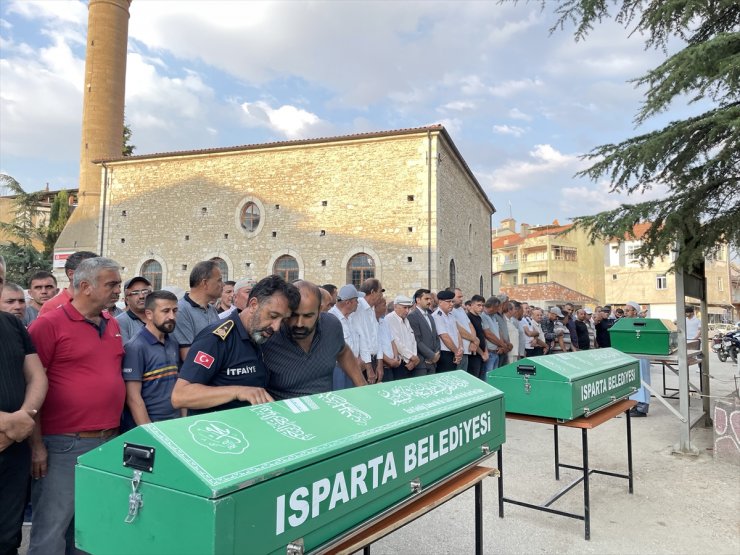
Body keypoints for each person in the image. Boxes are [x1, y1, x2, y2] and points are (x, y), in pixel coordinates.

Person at [27, 257, 125, 555]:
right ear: (85, 286)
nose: (117, 291)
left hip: (106, 441)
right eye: (111, 285)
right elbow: (32, 385)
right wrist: (37, 446)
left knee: (88, 527)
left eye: (118, 284)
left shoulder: (112, 323)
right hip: (63, 444)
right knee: (51, 530)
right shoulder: (48, 324)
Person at [171, 275, 300, 414]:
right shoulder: (215, 339)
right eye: (273, 316)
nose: (276, 327)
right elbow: (180, 396)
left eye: (283, 320)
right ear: (253, 305)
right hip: (217, 431)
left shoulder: (261, 336)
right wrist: (238, 391)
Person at [0, 256, 48, 555]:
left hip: (14, 450)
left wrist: (23, 419)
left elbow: (37, 377)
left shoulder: (12, 325)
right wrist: (9, 424)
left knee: (7, 535)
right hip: (12, 433)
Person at [263, 280, 367, 400]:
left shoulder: (331, 326)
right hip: (285, 414)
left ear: (320, 311)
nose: (299, 323)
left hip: (324, 411)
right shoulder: (270, 336)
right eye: (294, 315)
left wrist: (362, 385)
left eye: (308, 316)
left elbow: (343, 350)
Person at [121, 291, 181, 431]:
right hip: (151, 428)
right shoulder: (135, 347)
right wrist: (151, 434)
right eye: (165, 311)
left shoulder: (172, 342)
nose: (172, 316)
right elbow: (133, 398)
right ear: (149, 314)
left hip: (175, 425)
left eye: (175, 310)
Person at [172, 260, 223, 360]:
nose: (223, 285)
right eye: (219, 280)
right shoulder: (181, 310)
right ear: (205, 283)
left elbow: (221, 343)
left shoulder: (212, 310)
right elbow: (188, 356)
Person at [38, 250, 97, 317]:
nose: (96, 276)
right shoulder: (52, 306)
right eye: (90, 271)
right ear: (71, 274)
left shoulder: (100, 303)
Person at [330, 284, 363, 389]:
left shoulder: (350, 318)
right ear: (348, 302)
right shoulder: (331, 318)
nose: (358, 303)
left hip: (353, 367)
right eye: (356, 300)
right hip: (338, 369)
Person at [352, 279, 384, 383]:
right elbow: (362, 337)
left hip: (373, 360)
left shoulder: (372, 308)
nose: (381, 295)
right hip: (364, 362)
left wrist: (379, 364)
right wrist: (369, 367)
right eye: (380, 291)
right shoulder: (358, 307)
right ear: (372, 292)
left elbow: (377, 337)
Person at [385, 295, 422, 379]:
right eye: (405, 308)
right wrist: (411, 357)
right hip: (400, 362)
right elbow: (396, 342)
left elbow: (412, 340)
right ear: (395, 307)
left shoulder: (406, 319)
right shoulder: (389, 319)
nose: (407, 311)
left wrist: (414, 358)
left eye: (409, 308)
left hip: (410, 362)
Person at [625, 301, 651, 417]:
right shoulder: (624, 323)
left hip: (641, 355)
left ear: (634, 311)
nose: (625, 313)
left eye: (627, 310)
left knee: (642, 379)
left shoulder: (641, 322)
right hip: (630, 356)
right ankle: (634, 405)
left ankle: (641, 407)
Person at [407, 288, 440, 376]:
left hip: (433, 363)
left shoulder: (430, 316)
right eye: (426, 299)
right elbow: (417, 340)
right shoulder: (412, 316)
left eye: (430, 299)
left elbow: (436, 337)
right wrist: (432, 355)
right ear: (418, 300)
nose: (429, 301)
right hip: (421, 363)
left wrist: (437, 354)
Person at [432, 290, 462, 372]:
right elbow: (444, 337)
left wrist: (460, 349)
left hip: (454, 352)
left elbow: (457, 333)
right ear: (440, 302)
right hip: (445, 353)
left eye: (452, 301)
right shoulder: (437, 316)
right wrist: (457, 352)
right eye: (448, 302)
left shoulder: (451, 315)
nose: (452, 304)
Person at [116, 276, 152, 343]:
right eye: (135, 293)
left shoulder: (157, 318)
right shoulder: (120, 322)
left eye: (145, 291)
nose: (141, 296)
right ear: (127, 300)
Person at [466, 295, 489, 379]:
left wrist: (485, 351)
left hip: (482, 354)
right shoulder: (468, 317)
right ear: (471, 305)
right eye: (479, 305)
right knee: (474, 379)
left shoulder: (479, 318)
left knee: (482, 378)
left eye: (483, 305)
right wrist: (482, 353)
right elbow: (473, 339)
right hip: (474, 354)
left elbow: (482, 336)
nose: (481, 308)